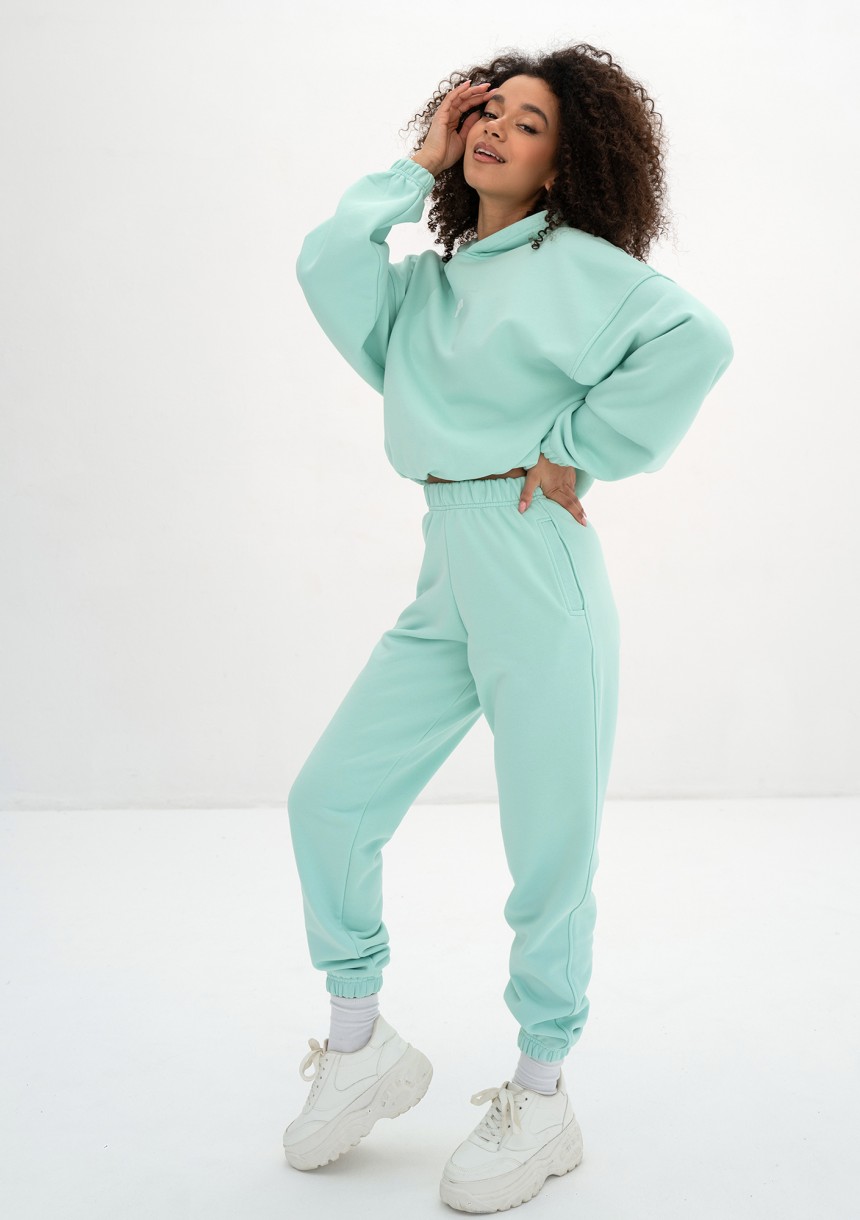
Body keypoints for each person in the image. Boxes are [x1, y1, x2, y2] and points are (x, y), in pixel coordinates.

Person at [282, 42, 733, 1213]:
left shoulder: (582, 268)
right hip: (448, 563)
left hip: (535, 565)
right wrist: (412, 162)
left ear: (563, 162)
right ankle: (358, 1039)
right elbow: (325, 257)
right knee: (328, 799)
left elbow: (696, 341)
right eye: (487, 113)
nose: (494, 131)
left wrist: (578, 447)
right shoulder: (424, 289)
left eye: (527, 124)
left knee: (546, 851)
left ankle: (540, 1092)